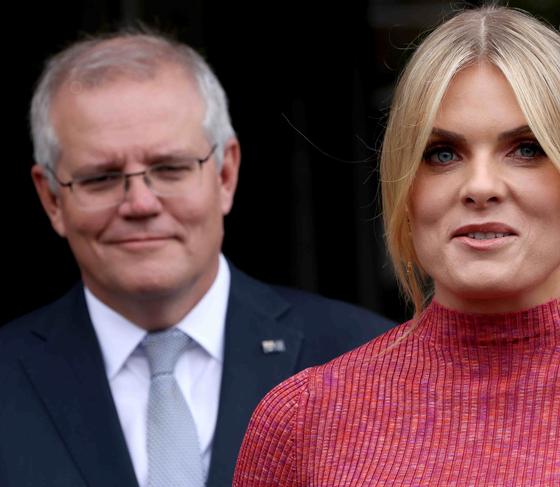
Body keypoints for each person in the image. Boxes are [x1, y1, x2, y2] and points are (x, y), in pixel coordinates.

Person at [234, 5, 560, 485]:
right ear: (405, 193)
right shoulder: (304, 421)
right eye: (443, 154)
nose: (481, 186)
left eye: (527, 149)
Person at [0, 31, 392, 487]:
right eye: (101, 178)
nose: (140, 203)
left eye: (169, 168)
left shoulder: (365, 359)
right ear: (51, 199)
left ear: (225, 173)